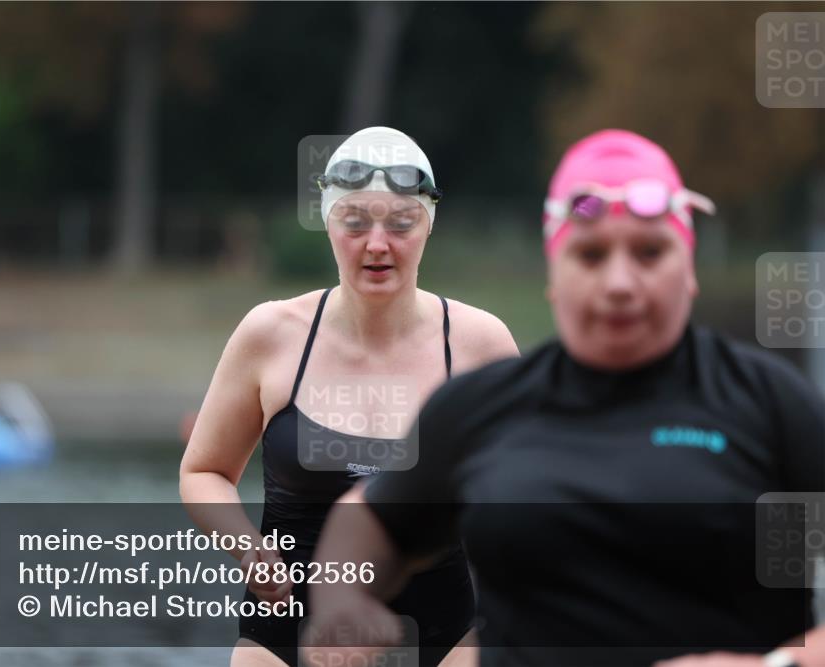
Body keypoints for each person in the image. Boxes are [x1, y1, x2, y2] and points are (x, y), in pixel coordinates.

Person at [306, 129, 825, 667]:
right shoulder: (485, 408)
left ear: (688, 269)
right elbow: (370, 517)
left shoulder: (768, 405)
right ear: (555, 274)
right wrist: (344, 600)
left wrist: (779, 665)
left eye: (650, 252)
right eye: (591, 254)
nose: (620, 282)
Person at [179, 126, 520, 667]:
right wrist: (247, 549)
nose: (377, 244)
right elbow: (204, 471)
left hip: (445, 637)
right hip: (284, 638)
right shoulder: (271, 333)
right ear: (329, 224)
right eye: (355, 222)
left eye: (401, 224)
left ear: (428, 226)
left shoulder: (480, 344)